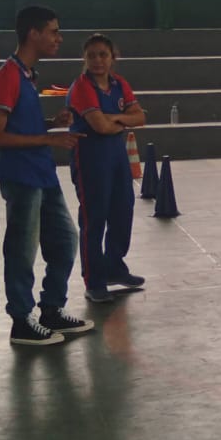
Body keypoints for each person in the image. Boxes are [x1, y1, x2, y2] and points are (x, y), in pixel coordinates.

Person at [0, 5, 92, 346]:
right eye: (53, 32)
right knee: (21, 249)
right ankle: (21, 319)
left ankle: (51, 308)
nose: (58, 39)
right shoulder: (8, 76)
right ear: (33, 33)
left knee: (64, 241)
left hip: (43, 174)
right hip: (22, 177)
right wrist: (48, 138)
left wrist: (50, 125)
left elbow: (18, 126)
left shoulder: (28, 76)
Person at [67, 33, 148, 303]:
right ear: (84, 59)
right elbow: (99, 126)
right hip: (90, 159)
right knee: (94, 219)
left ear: (113, 56)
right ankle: (94, 280)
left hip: (116, 159)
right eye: (91, 55)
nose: (97, 60)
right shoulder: (81, 88)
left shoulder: (119, 84)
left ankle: (114, 266)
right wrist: (121, 122)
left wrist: (114, 118)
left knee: (122, 211)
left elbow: (141, 118)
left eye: (103, 54)